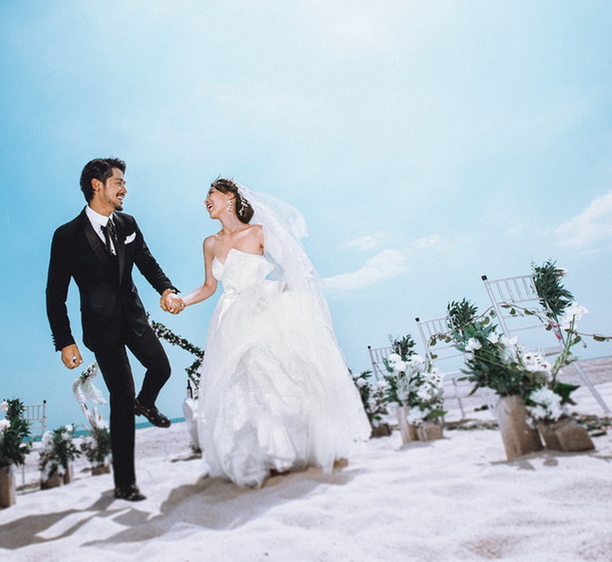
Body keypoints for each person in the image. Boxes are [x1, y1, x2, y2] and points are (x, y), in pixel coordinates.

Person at [178, 178, 370, 488]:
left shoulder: (258, 232)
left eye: (210, 194)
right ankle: (264, 454)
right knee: (241, 383)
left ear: (229, 197)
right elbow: (208, 287)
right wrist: (181, 301)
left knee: (267, 373)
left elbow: (295, 267)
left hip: (263, 311)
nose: (205, 200)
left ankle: (285, 452)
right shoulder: (210, 243)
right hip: (230, 318)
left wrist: (285, 300)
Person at [46, 157, 184, 502]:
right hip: (100, 329)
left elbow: (146, 261)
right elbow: (55, 294)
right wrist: (65, 341)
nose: (125, 189)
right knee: (121, 398)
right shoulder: (66, 235)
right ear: (98, 185)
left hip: (134, 319)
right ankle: (125, 483)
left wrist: (166, 288)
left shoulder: (128, 224)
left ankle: (146, 403)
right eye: (119, 182)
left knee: (162, 368)